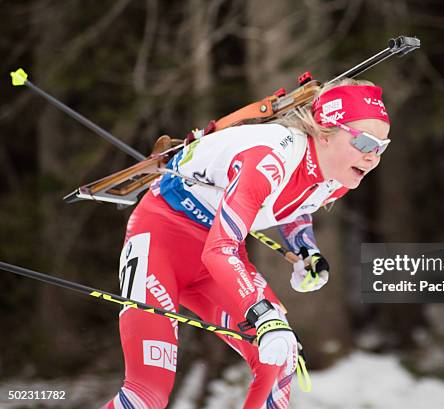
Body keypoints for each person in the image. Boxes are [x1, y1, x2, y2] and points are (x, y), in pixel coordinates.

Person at [100, 78, 391, 409]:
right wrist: (265, 317)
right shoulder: (268, 158)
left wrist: (306, 250)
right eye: (366, 144)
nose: (373, 158)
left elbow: (297, 202)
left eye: (382, 147)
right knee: (146, 395)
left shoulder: (339, 175)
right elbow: (220, 249)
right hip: (162, 240)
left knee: (279, 357)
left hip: (218, 259)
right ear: (325, 132)